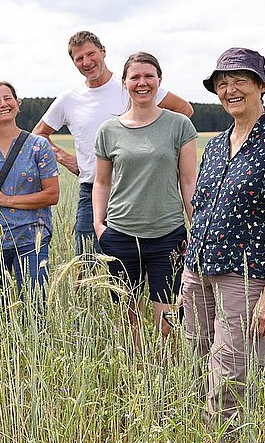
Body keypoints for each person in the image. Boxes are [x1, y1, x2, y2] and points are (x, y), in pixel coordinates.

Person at [181, 48, 265, 434]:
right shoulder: (217, 144)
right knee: (195, 363)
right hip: (197, 272)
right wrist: (187, 272)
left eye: (240, 81)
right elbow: (201, 208)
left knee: (230, 376)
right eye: (222, 83)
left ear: (261, 86)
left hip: (245, 277)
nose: (230, 89)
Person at [33, 30, 193, 275]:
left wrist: (157, 149)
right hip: (93, 190)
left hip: (143, 192)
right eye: (78, 58)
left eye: (90, 54)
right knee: (86, 266)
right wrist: (68, 160)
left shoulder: (132, 84)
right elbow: (38, 135)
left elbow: (184, 110)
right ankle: (90, 311)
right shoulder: (69, 99)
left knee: (152, 271)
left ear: (103, 52)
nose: (86, 62)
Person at [91, 52, 197, 351]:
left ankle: (164, 374)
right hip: (121, 234)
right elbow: (102, 182)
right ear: (124, 83)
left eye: (149, 76)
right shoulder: (108, 131)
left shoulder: (179, 126)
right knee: (127, 315)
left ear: (159, 81)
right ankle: (137, 369)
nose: (142, 82)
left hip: (167, 234)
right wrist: (99, 225)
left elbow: (188, 181)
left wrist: (197, 229)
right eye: (134, 77)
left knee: (168, 320)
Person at [0, 80, 59, 317]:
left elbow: (52, 195)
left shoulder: (38, 146)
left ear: (17, 104)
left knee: (35, 310)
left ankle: (35, 354)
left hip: (31, 238)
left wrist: (8, 200)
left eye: (8, 98)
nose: (3, 104)